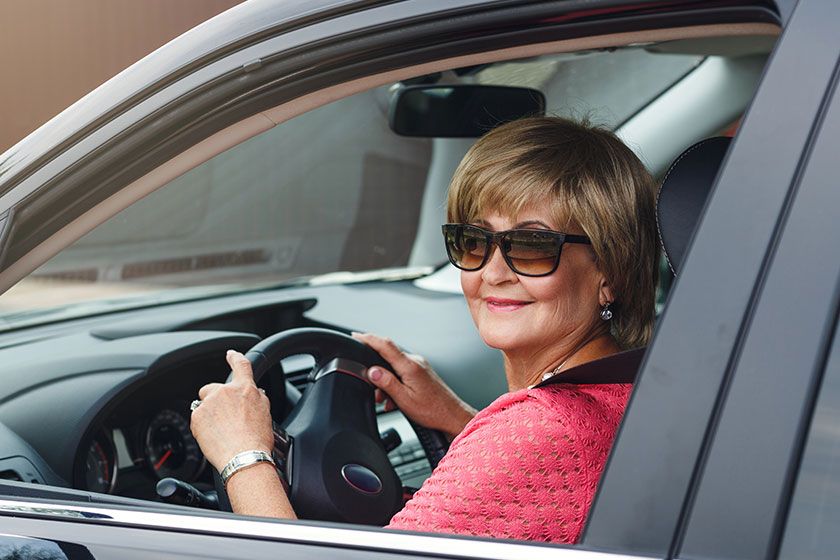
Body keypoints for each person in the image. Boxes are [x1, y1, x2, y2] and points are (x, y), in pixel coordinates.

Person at [190, 116, 658, 543]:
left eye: (533, 246)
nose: (492, 273)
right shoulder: (628, 388)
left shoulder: (539, 431)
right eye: (474, 242)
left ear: (611, 272)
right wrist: (456, 418)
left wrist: (245, 456)